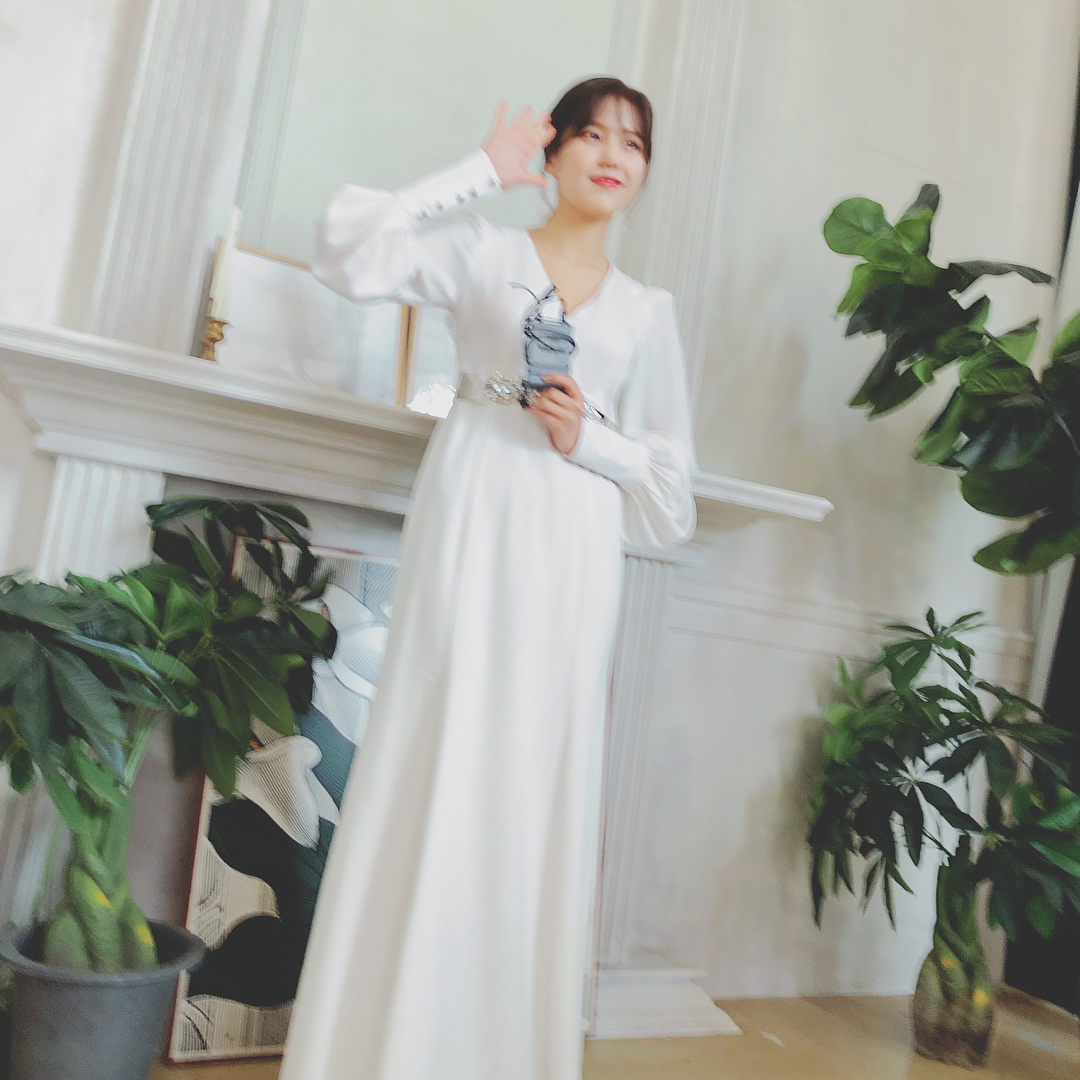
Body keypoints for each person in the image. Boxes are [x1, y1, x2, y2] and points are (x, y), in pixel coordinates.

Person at [278, 76, 697, 1080]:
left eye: (632, 142)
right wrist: (478, 170)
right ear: (552, 153)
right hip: (471, 503)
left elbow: (672, 499)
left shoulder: (648, 313)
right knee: (438, 743)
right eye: (590, 133)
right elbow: (343, 249)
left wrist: (594, 440)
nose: (612, 154)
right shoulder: (483, 252)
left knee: (532, 773)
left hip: (573, 541)